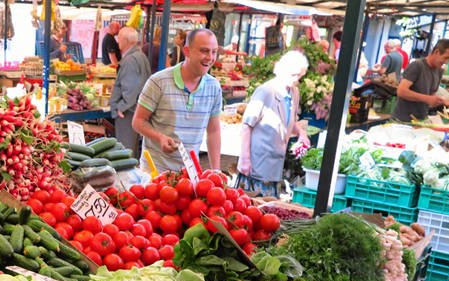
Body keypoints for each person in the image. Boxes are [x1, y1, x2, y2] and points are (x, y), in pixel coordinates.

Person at [132, 28, 222, 172]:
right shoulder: (158, 81)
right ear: (187, 51)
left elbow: (213, 131)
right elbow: (138, 121)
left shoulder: (214, 87)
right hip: (155, 172)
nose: (210, 57)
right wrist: (159, 137)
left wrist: (216, 171)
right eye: (204, 51)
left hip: (190, 173)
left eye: (214, 52)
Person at [237, 51, 310, 196]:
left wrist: (302, 134)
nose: (295, 79)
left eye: (299, 76)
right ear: (282, 70)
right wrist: (244, 159)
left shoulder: (294, 92)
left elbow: (290, 122)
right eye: (293, 75)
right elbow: (246, 126)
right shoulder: (265, 91)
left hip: (275, 165)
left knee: (269, 209)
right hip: (257, 164)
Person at [392, 39, 449, 122]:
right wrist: (427, 99)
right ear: (436, 52)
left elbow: (431, 95)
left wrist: (445, 101)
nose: (447, 62)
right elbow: (401, 91)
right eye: (446, 58)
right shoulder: (417, 66)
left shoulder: (439, 71)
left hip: (421, 120)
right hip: (402, 120)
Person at [110, 27, 150, 152]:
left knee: (125, 150)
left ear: (126, 41)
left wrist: (120, 107)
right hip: (136, 108)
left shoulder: (130, 60)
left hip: (128, 112)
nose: (118, 42)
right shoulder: (140, 56)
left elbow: (131, 88)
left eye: (119, 39)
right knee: (131, 149)